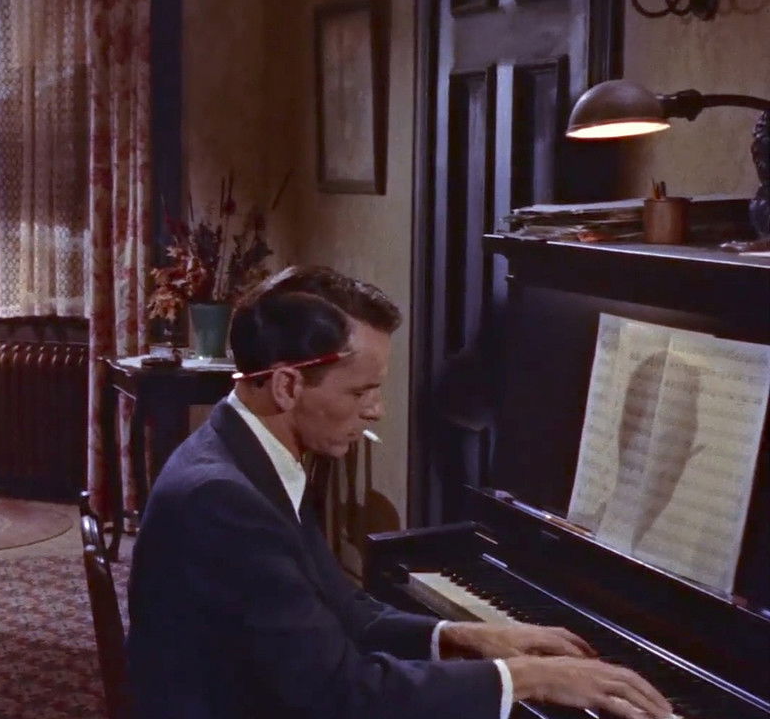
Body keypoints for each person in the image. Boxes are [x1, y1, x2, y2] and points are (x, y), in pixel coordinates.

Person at [125, 266, 672, 719]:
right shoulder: (223, 500)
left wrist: (465, 637)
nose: (376, 411)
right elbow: (342, 693)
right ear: (288, 385)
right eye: (361, 391)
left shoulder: (246, 456)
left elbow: (345, 611)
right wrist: (528, 678)